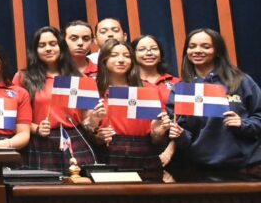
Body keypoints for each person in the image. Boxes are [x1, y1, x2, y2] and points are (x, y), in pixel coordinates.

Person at [169, 28, 260, 169]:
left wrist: (243, 124)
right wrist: (180, 135)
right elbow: (182, 131)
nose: (197, 51)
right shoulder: (182, 89)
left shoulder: (241, 81)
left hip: (246, 167)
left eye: (206, 46)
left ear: (217, 51)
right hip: (197, 170)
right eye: (192, 46)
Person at [15, 26, 95, 171]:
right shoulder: (23, 77)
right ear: (35, 50)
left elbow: (87, 119)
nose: (48, 49)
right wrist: (36, 128)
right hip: (40, 139)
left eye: (53, 44)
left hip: (74, 137)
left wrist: (96, 117)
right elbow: (14, 116)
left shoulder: (79, 78)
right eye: (42, 45)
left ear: (61, 47)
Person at [85, 41, 167, 180]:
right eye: (114, 55)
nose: (121, 60)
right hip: (109, 151)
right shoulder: (92, 89)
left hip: (145, 151)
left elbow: (157, 136)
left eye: (127, 56)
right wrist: (95, 130)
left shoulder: (148, 89)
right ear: (104, 60)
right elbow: (87, 130)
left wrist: (158, 133)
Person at [133, 34, 179, 166]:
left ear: (161, 53)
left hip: (175, 150)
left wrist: (169, 152)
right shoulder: (127, 84)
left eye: (154, 48)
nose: (149, 53)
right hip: (139, 149)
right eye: (142, 49)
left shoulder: (177, 83)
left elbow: (185, 122)